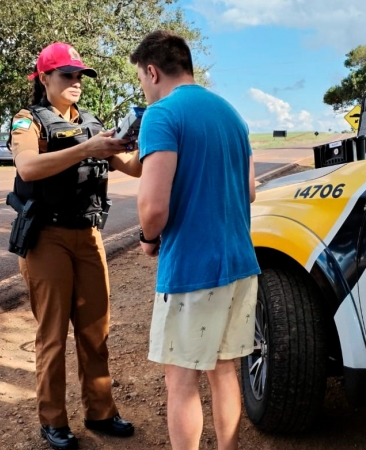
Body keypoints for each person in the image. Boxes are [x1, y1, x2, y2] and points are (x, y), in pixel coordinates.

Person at [131, 31, 261, 450]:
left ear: (152, 71)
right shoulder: (231, 114)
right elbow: (251, 189)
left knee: (181, 379)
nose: (144, 89)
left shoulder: (162, 115)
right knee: (224, 372)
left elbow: (152, 207)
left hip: (192, 269)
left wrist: (148, 239)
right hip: (240, 264)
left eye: (141, 79)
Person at [10, 42, 140, 450]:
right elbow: (28, 166)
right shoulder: (28, 120)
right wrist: (88, 148)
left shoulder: (91, 123)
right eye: (67, 75)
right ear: (44, 78)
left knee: (95, 332)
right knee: (52, 336)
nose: (76, 82)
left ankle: (100, 413)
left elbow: (134, 169)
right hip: (46, 239)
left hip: (88, 236)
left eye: (79, 75)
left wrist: (147, 142)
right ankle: (53, 422)